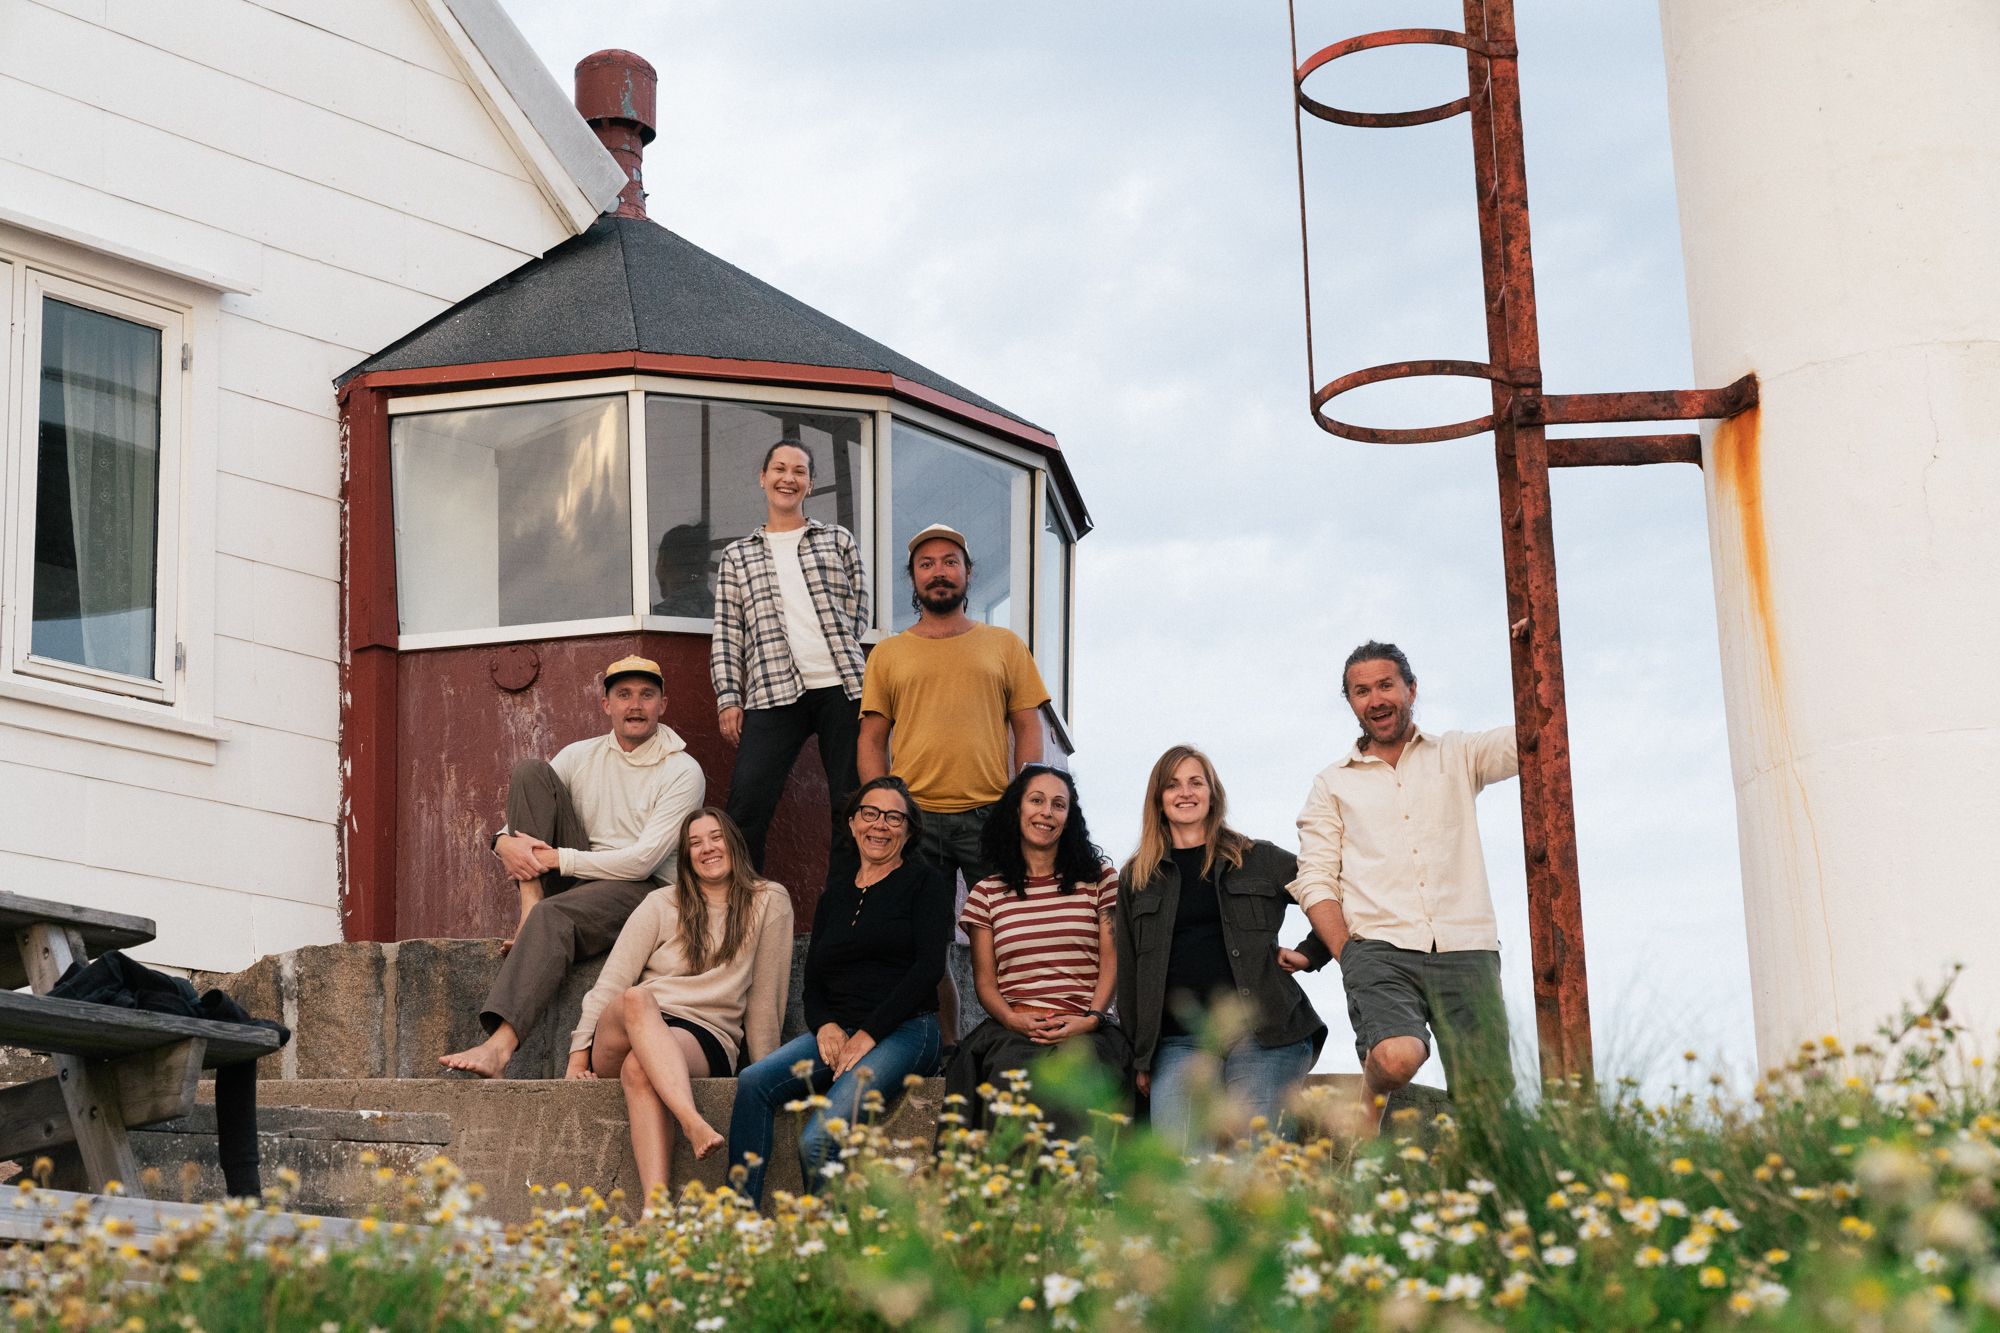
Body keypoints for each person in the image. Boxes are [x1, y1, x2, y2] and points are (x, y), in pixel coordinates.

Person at [1288, 640, 1520, 1129]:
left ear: (1411, 689)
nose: (1375, 699)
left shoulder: (1458, 753)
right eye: (1361, 691)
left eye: (1386, 685)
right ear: (1351, 702)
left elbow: (1532, 737)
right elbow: (1315, 878)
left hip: (1467, 947)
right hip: (1380, 950)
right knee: (1396, 1058)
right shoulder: (1332, 784)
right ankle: (1369, 1095)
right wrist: (1346, 953)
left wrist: (1532, 651)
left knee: (1488, 1107)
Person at [440, 656, 705, 1078]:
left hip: (643, 888)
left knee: (553, 914)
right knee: (530, 773)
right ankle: (530, 903)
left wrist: (555, 859)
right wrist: (500, 842)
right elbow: (515, 828)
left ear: (663, 705)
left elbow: (642, 860)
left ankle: (500, 1045)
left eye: (646, 695)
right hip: (579, 877)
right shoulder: (580, 755)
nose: (634, 705)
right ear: (606, 705)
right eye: (623, 695)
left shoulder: (682, 770)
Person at [858, 523, 1050, 1039]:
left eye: (949, 562)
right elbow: (872, 738)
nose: (938, 572)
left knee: (1013, 932)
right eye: (926, 564)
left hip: (992, 815)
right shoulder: (889, 653)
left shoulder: (1004, 644)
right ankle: (946, 1049)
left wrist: (1023, 798)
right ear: (913, 579)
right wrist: (881, 810)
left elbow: (1029, 726)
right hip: (914, 820)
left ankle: (1019, 1039)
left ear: (967, 573)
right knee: (925, 946)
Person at [726, 777, 951, 1205]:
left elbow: (927, 970)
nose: (880, 825)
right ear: (852, 823)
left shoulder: (925, 883)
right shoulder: (835, 896)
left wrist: (867, 1034)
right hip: (838, 1030)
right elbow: (814, 982)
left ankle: (827, 1250)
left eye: (893, 817)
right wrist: (826, 1025)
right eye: (870, 813)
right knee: (753, 1082)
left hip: (905, 1031)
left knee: (817, 1139)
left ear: (908, 830)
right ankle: (738, 1221)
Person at [564, 808, 793, 1203]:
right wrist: (577, 1059)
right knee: (636, 997)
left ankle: (655, 1212)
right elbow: (613, 981)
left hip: (704, 1034)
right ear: (685, 857)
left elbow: (766, 997)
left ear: (734, 844)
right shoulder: (660, 903)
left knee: (640, 1067)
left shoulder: (768, 900)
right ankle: (691, 1122)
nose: (707, 848)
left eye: (716, 837)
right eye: (695, 843)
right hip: (631, 1023)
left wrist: (763, 1071)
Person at [1115, 745, 1335, 1149]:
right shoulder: (1137, 876)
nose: (1185, 792)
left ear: (1212, 793)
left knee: (1254, 1155)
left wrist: (1311, 952)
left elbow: (1332, 889)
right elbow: (1128, 972)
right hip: (1178, 1041)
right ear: (1158, 800)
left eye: (1195, 782)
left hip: (1263, 1032)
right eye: (1172, 785)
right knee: (1180, 1163)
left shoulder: (1258, 859)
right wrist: (1140, 1056)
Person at [709, 441, 869, 871]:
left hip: (844, 687)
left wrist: (833, 649)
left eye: (798, 471)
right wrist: (729, 697)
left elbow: (858, 613)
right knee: (746, 807)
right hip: (771, 690)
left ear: (810, 484)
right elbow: (728, 630)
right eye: (779, 469)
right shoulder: (737, 555)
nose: (788, 478)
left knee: (850, 808)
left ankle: (846, 918)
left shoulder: (837, 539)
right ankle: (743, 914)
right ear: (763, 478)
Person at [945, 765, 1127, 1139]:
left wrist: (1091, 1018)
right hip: (1016, 1028)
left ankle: (1074, 1194)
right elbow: (985, 982)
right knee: (1010, 1084)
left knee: (1077, 1082)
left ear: (1069, 818)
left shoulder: (1101, 880)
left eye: (1059, 805)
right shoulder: (987, 893)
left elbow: (1112, 959)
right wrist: (1012, 1020)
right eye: (1037, 800)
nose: (1047, 812)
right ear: (1017, 810)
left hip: (1084, 1026)